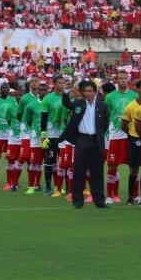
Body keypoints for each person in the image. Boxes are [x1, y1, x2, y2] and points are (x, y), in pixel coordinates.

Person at [58, 80, 110, 209]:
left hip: (96, 141)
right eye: (85, 91)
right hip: (82, 140)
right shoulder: (78, 103)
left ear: (95, 92)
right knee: (78, 171)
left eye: (90, 91)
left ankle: (99, 200)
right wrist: (66, 92)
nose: (87, 93)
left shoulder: (102, 106)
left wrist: (97, 135)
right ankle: (78, 201)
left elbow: (105, 124)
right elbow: (66, 103)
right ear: (82, 92)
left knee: (97, 171)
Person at [104, 71, 136, 203]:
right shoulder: (110, 96)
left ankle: (134, 196)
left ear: (128, 80)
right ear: (116, 81)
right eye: (120, 78)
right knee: (112, 166)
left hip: (131, 135)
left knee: (133, 166)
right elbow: (106, 115)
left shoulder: (135, 95)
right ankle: (111, 196)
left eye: (124, 78)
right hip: (115, 135)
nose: (122, 80)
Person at [121, 80, 141, 205]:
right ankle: (130, 197)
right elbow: (124, 125)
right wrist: (132, 134)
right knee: (133, 169)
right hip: (135, 139)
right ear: (137, 89)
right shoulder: (131, 106)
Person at [40, 75, 66, 196]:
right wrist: (43, 135)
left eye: (63, 83)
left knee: (64, 163)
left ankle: (63, 188)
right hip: (51, 135)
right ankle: (48, 187)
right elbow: (43, 118)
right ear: (54, 84)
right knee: (49, 162)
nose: (62, 85)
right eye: (59, 83)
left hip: (64, 136)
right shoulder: (48, 98)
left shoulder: (67, 98)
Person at [22, 83, 47, 194]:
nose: (42, 92)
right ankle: (31, 186)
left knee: (52, 163)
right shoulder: (31, 105)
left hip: (49, 137)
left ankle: (56, 188)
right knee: (34, 162)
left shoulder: (50, 103)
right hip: (36, 137)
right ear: (38, 91)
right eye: (40, 90)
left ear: (47, 91)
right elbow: (27, 119)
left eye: (44, 90)